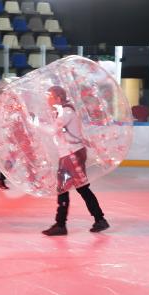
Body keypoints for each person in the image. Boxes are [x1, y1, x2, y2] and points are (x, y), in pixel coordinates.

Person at [41, 86, 109, 236]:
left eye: (50, 96)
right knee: (77, 188)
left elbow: (52, 130)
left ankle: (62, 224)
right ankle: (98, 219)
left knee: (70, 189)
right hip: (70, 154)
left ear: (58, 98)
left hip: (71, 155)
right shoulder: (63, 111)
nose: (48, 99)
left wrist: (33, 121)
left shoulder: (66, 112)